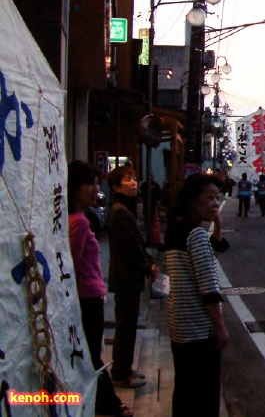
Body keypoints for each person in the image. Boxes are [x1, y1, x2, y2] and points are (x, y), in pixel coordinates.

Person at [67, 161, 133, 417]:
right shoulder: (79, 223)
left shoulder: (80, 219)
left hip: (91, 294)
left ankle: (101, 401)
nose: (96, 188)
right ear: (74, 189)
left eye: (97, 182)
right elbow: (71, 263)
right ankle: (109, 403)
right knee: (93, 353)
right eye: (90, 183)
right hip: (87, 296)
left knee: (91, 351)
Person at [164, 173, 230, 417]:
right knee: (205, 396)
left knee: (184, 390)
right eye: (210, 198)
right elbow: (209, 287)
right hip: (199, 329)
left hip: (178, 325)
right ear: (193, 200)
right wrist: (220, 327)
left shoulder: (175, 229)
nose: (215, 203)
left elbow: (207, 259)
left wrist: (219, 226)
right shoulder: (196, 235)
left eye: (218, 198)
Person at [106, 165, 158, 387]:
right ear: (116, 187)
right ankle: (120, 373)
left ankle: (125, 368)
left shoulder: (124, 209)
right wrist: (148, 265)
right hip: (126, 277)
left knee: (128, 325)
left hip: (129, 276)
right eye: (128, 179)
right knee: (125, 327)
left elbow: (136, 243)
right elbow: (131, 246)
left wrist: (147, 262)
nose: (134, 182)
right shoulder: (119, 212)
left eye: (134, 178)